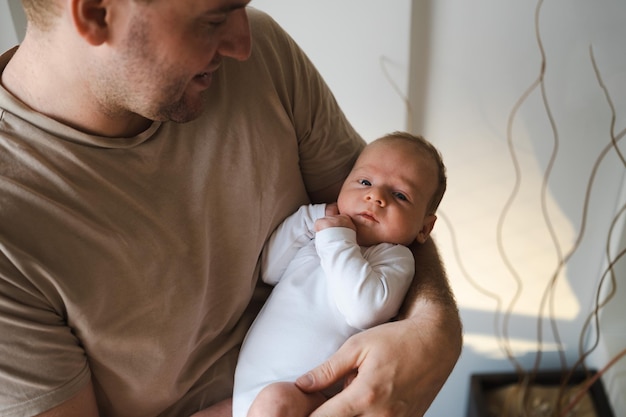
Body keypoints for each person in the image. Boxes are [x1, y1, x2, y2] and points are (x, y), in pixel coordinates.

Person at [0, 1, 461, 416]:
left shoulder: (266, 56)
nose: (243, 44)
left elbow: (377, 221)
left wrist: (433, 332)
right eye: (215, 18)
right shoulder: (13, 224)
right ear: (96, 13)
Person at [228, 132, 447, 417]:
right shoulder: (319, 236)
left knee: (275, 402)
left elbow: (363, 311)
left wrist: (335, 238)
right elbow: (270, 270)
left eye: (400, 195)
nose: (375, 196)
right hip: (246, 393)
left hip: (304, 396)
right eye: (365, 182)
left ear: (424, 229)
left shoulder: (393, 257)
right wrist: (311, 219)